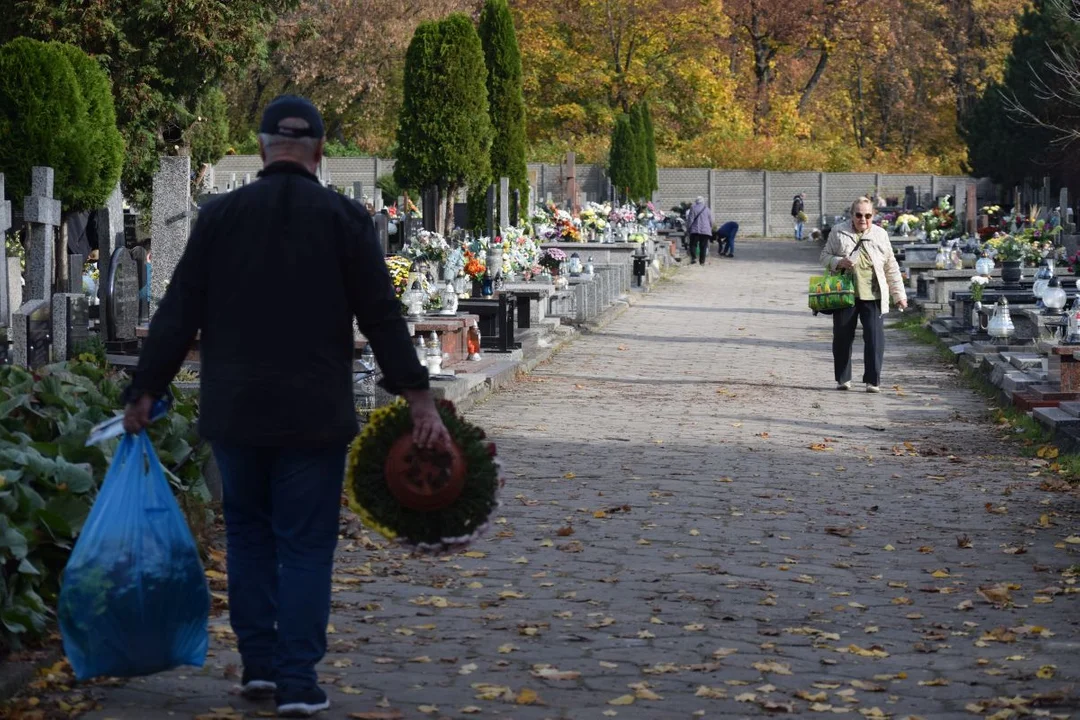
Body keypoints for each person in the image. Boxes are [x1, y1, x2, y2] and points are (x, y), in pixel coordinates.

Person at [121, 95, 451, 718]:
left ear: (264, 145)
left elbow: (179, 310)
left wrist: (145, 390)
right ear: (321, 152)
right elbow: (381, 314)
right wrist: (418, 398)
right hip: (314, 412)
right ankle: (299, 682)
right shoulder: (344, 219)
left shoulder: (220, 216)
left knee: (247, 535)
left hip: (237, 409)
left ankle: (259, 670)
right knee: (304, 543)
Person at [820, 196, 907, 393]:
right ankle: (843, 378)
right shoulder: (838, 231)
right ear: (852, 215)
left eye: (868, 215)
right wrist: (838, 262)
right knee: (842, 337)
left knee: (875, 339)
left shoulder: (881, 235)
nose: (863, 219)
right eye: (859, 215)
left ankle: (872, 380)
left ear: (873, 216)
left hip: (874, 295)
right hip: (845, 293)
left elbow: (891, 266)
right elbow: (824, 257)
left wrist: (899, 295)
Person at [686, 196, 713, 265]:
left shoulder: (693, 208)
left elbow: (690, 220)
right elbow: (711, 221)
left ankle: (694, 258)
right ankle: (702, 262)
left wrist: (688, 229)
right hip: (705, 231)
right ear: (703, 201)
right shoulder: (707, 209)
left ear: (696, 201)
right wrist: (710, 228)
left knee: (693, 244)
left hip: (695, 230)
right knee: (703, 246)